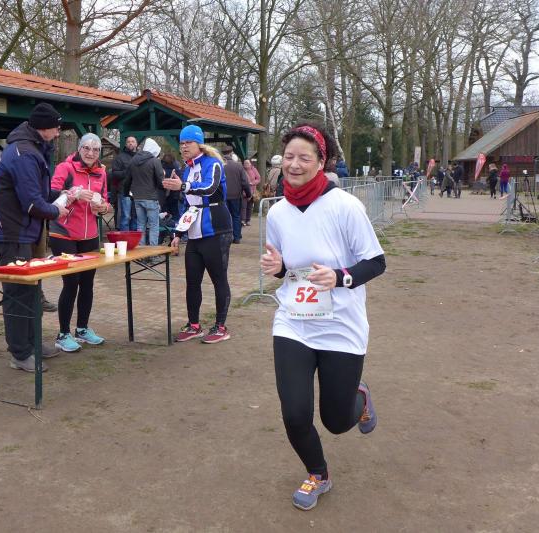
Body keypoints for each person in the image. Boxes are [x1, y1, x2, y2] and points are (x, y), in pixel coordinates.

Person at [259, 123, 385, 511]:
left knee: (336, 421)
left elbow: (376, 262)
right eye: (289, 157)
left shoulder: (345, 206)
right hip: (294, 321)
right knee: (295, 413)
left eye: (304, 158)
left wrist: (341, 276)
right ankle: (318, 473)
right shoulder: (277, 212)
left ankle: (359, 395)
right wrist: (278, 269)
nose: (294, 165)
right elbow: (287, 268)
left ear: (321, 162)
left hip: (340, 326)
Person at [0, 102, 69, 373]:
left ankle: (32, 343)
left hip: (25, 231)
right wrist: (57, 210)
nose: (58, 133)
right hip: (11, 233)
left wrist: (64, 194)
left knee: (32, 290)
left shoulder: (33, 149)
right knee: (17, 293)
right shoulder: (23, 153)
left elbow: (39, 192)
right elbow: (32, 202)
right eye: (56, 127)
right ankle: (20, 353)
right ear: (44, 127)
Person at [162, 125, 233, 344]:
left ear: (199, 144)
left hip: (216, 229)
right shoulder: (187, 169)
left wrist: (183, 185)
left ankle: (220, 326)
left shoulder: (213, 163)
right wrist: (177, 232)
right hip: (194, 232)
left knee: (218, 279)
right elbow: (187, 205)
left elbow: (210, 188)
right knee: (192, 281)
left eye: (188, 143)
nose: (184, 147)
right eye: (181, 143)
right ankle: (194, 325)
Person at [48, 132, 112, 352]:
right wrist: (74, 193)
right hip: (64, 234)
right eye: (86, 148)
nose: (90, 153)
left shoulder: (101, 172)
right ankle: (63, 334)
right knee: (71, 283)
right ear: (79, 148)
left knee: (87, 283)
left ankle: (82, 329)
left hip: (90, 235)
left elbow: (106, 200)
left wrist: (103, 207)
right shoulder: (65, 168)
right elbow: (51, 197)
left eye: (95, 150)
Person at [129, 138, 165, 247]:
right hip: (151, 197)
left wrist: (127, 192)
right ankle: (153, 252)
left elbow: (128, 178)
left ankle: (141, 250)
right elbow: (160, 181)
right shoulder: (155, 161)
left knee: (140, 225)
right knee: (154, 225)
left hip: (137, 197)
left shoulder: (134, 160)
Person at [221, 145, 250, 244]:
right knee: (236, 216)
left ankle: (226, 237)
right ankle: (237, 237)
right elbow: (245, 182)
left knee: (225, 216)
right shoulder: (238, 166)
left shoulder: (219, 165)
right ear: (231, 153)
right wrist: (248, 194)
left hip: (222, 196)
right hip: (236, 196)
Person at [111, 136, 138, 231]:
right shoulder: (120, 157)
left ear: (136, 144)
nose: (130, 143)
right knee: (126, 217)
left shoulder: (140, 157)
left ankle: (134, 238)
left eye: (133, 141)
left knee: (136, 217)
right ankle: (124, 239)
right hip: (125, 191)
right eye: (128, 142)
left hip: (138, 191)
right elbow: (114, 174)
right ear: (126, 144)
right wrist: (127, 172)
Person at [161, 153, 182, 220]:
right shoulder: (176, 170)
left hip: (163, 194)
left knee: (165, 212)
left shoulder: (160, 169)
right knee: (175, 211)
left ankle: (167, 224)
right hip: (174, 194)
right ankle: (176, 223)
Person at [242, 159, 260, 226]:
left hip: (252, 191)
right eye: (245, 163)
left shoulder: (254, 169)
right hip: (243, 191)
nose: (246, 164)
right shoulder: (242, 170)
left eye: (247, 163)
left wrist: (252, 183)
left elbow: (258, 179)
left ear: (250, 164)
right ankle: (243, 220)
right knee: (243, 206)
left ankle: (248, 220)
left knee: (249, 206)